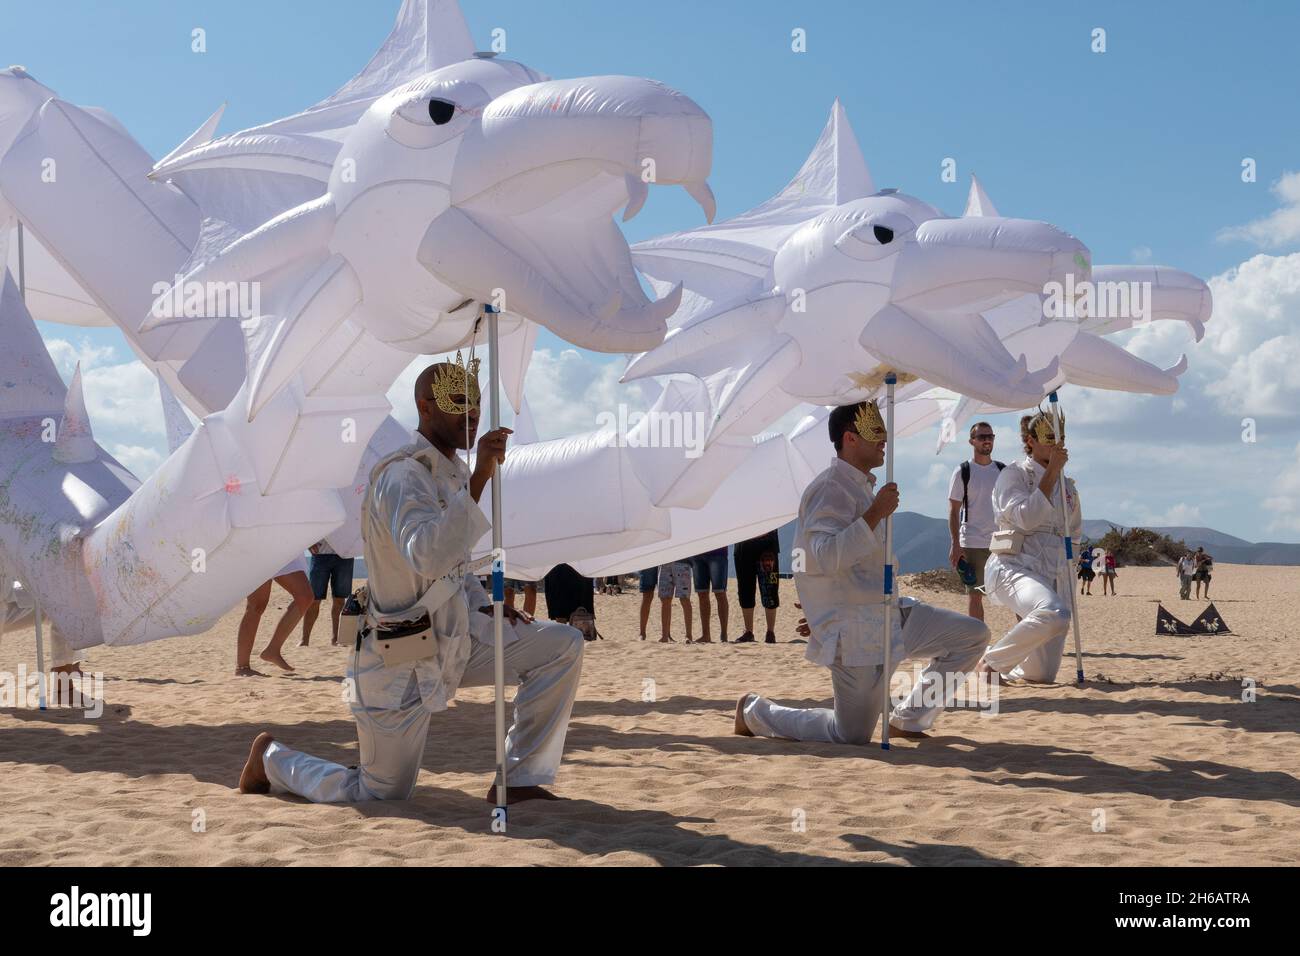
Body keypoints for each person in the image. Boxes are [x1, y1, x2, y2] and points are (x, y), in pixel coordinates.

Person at [239, 357, 584, 805]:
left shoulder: (450, 473)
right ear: (425, 406)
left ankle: (518, 781)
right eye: (459, 402)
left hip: (457, 640)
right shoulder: (402, 476)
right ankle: (271, 758)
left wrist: (485, 604)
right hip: (399, 656)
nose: (473, 413)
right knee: (379, 793)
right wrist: (479, 480)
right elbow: (427, 554)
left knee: (560, 644)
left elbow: (457, 565)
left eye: (477, 403)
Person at [734, 401, 988, 745]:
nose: (884, 439)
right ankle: (754, 711)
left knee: (971, 636)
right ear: (850, 438)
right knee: (851, 734)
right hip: (855, 633)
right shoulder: (829, 489)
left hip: (891, 615)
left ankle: (910, 720)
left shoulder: (861, 486)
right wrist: (873, 515)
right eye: (874, 431)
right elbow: (819, 557)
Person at [978, 409, 1081, 684]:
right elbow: (1026, 518)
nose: (1055, 445)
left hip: (1054, 572)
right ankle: (991, 664)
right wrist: (1051, 474)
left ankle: (991, 658)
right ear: (1031, 440)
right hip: (1014, 566)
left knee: (1041, 674)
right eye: (1048, 438)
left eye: (1059, 438)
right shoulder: (1015, 475)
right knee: (1054, 613)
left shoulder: (1068, 486)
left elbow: (1075, 531)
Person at [947, 422, 1004, 622]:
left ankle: (1025, 646)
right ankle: (978, 644)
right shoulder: (963, 471)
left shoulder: (1002, 471)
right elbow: (953, 510)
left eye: (990, 436)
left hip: (1001, 542)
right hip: (973, 542)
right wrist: (955, 544)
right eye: (981, 437)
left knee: (1014, 593)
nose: (987, 440)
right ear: (972, 441)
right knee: (975, 595)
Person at [236, 555, 315, 675]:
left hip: (286, 547)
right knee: (257, 605)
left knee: (305, 596)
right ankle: (242, 666)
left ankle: (273, 649)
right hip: (260, 548)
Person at [300, 540, 356, 647]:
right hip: (320, 554)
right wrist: (308, 542)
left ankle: (336, 639)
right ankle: (304, 640)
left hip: (345, 554)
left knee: (340, 600)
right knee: (314, 600)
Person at [734, 528, 780, 643]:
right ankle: (749, 632)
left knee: (771, 588)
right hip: (743, 544)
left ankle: (770, 632)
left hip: (768, 544)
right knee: (745, 588)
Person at [689, 546, 729, 643]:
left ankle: (724, 634)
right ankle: (706, 635)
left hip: (718, 552)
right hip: (697, 553)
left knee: (719, 593)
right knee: (702, 594)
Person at [656, 560, 694, 643]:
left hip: (682, 562)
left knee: (684, 599)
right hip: (664, 562)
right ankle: (664, 636)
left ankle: (688, 636)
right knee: (665, 599)